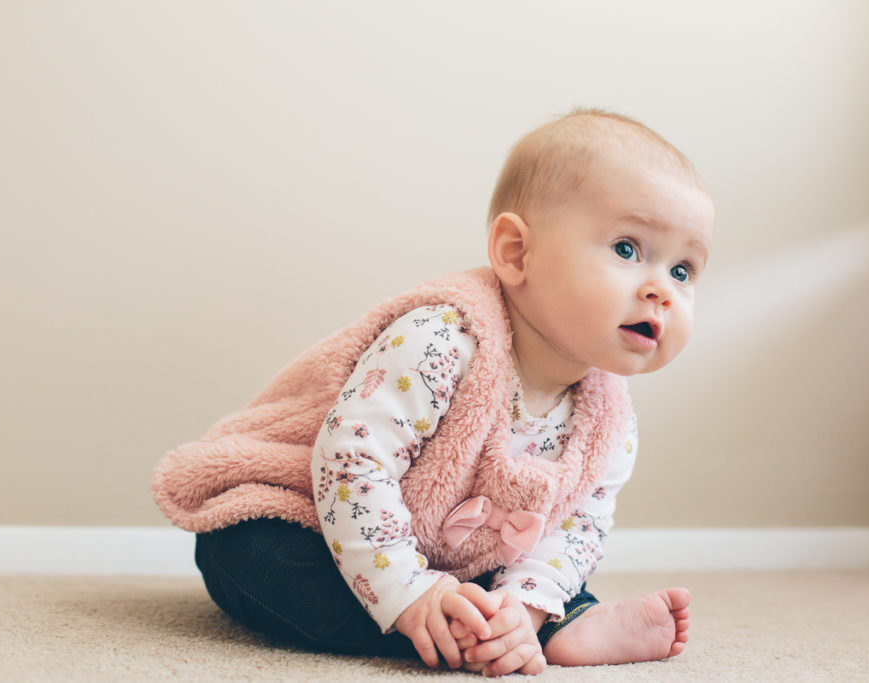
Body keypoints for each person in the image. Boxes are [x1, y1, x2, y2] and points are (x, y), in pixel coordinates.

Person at [154, 108, 715, 676]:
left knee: (557, 564)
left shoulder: (607, 417)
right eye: (627, 249)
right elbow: (350, 462)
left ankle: (540, 624)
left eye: (684, 270)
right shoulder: (443, 340)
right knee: (255, 558)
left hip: (444, 557)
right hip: (311, 510)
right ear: (517, 253)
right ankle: (464, 631)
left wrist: (525, 605)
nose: (661, 291)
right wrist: (408, 591)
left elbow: (579, 524)